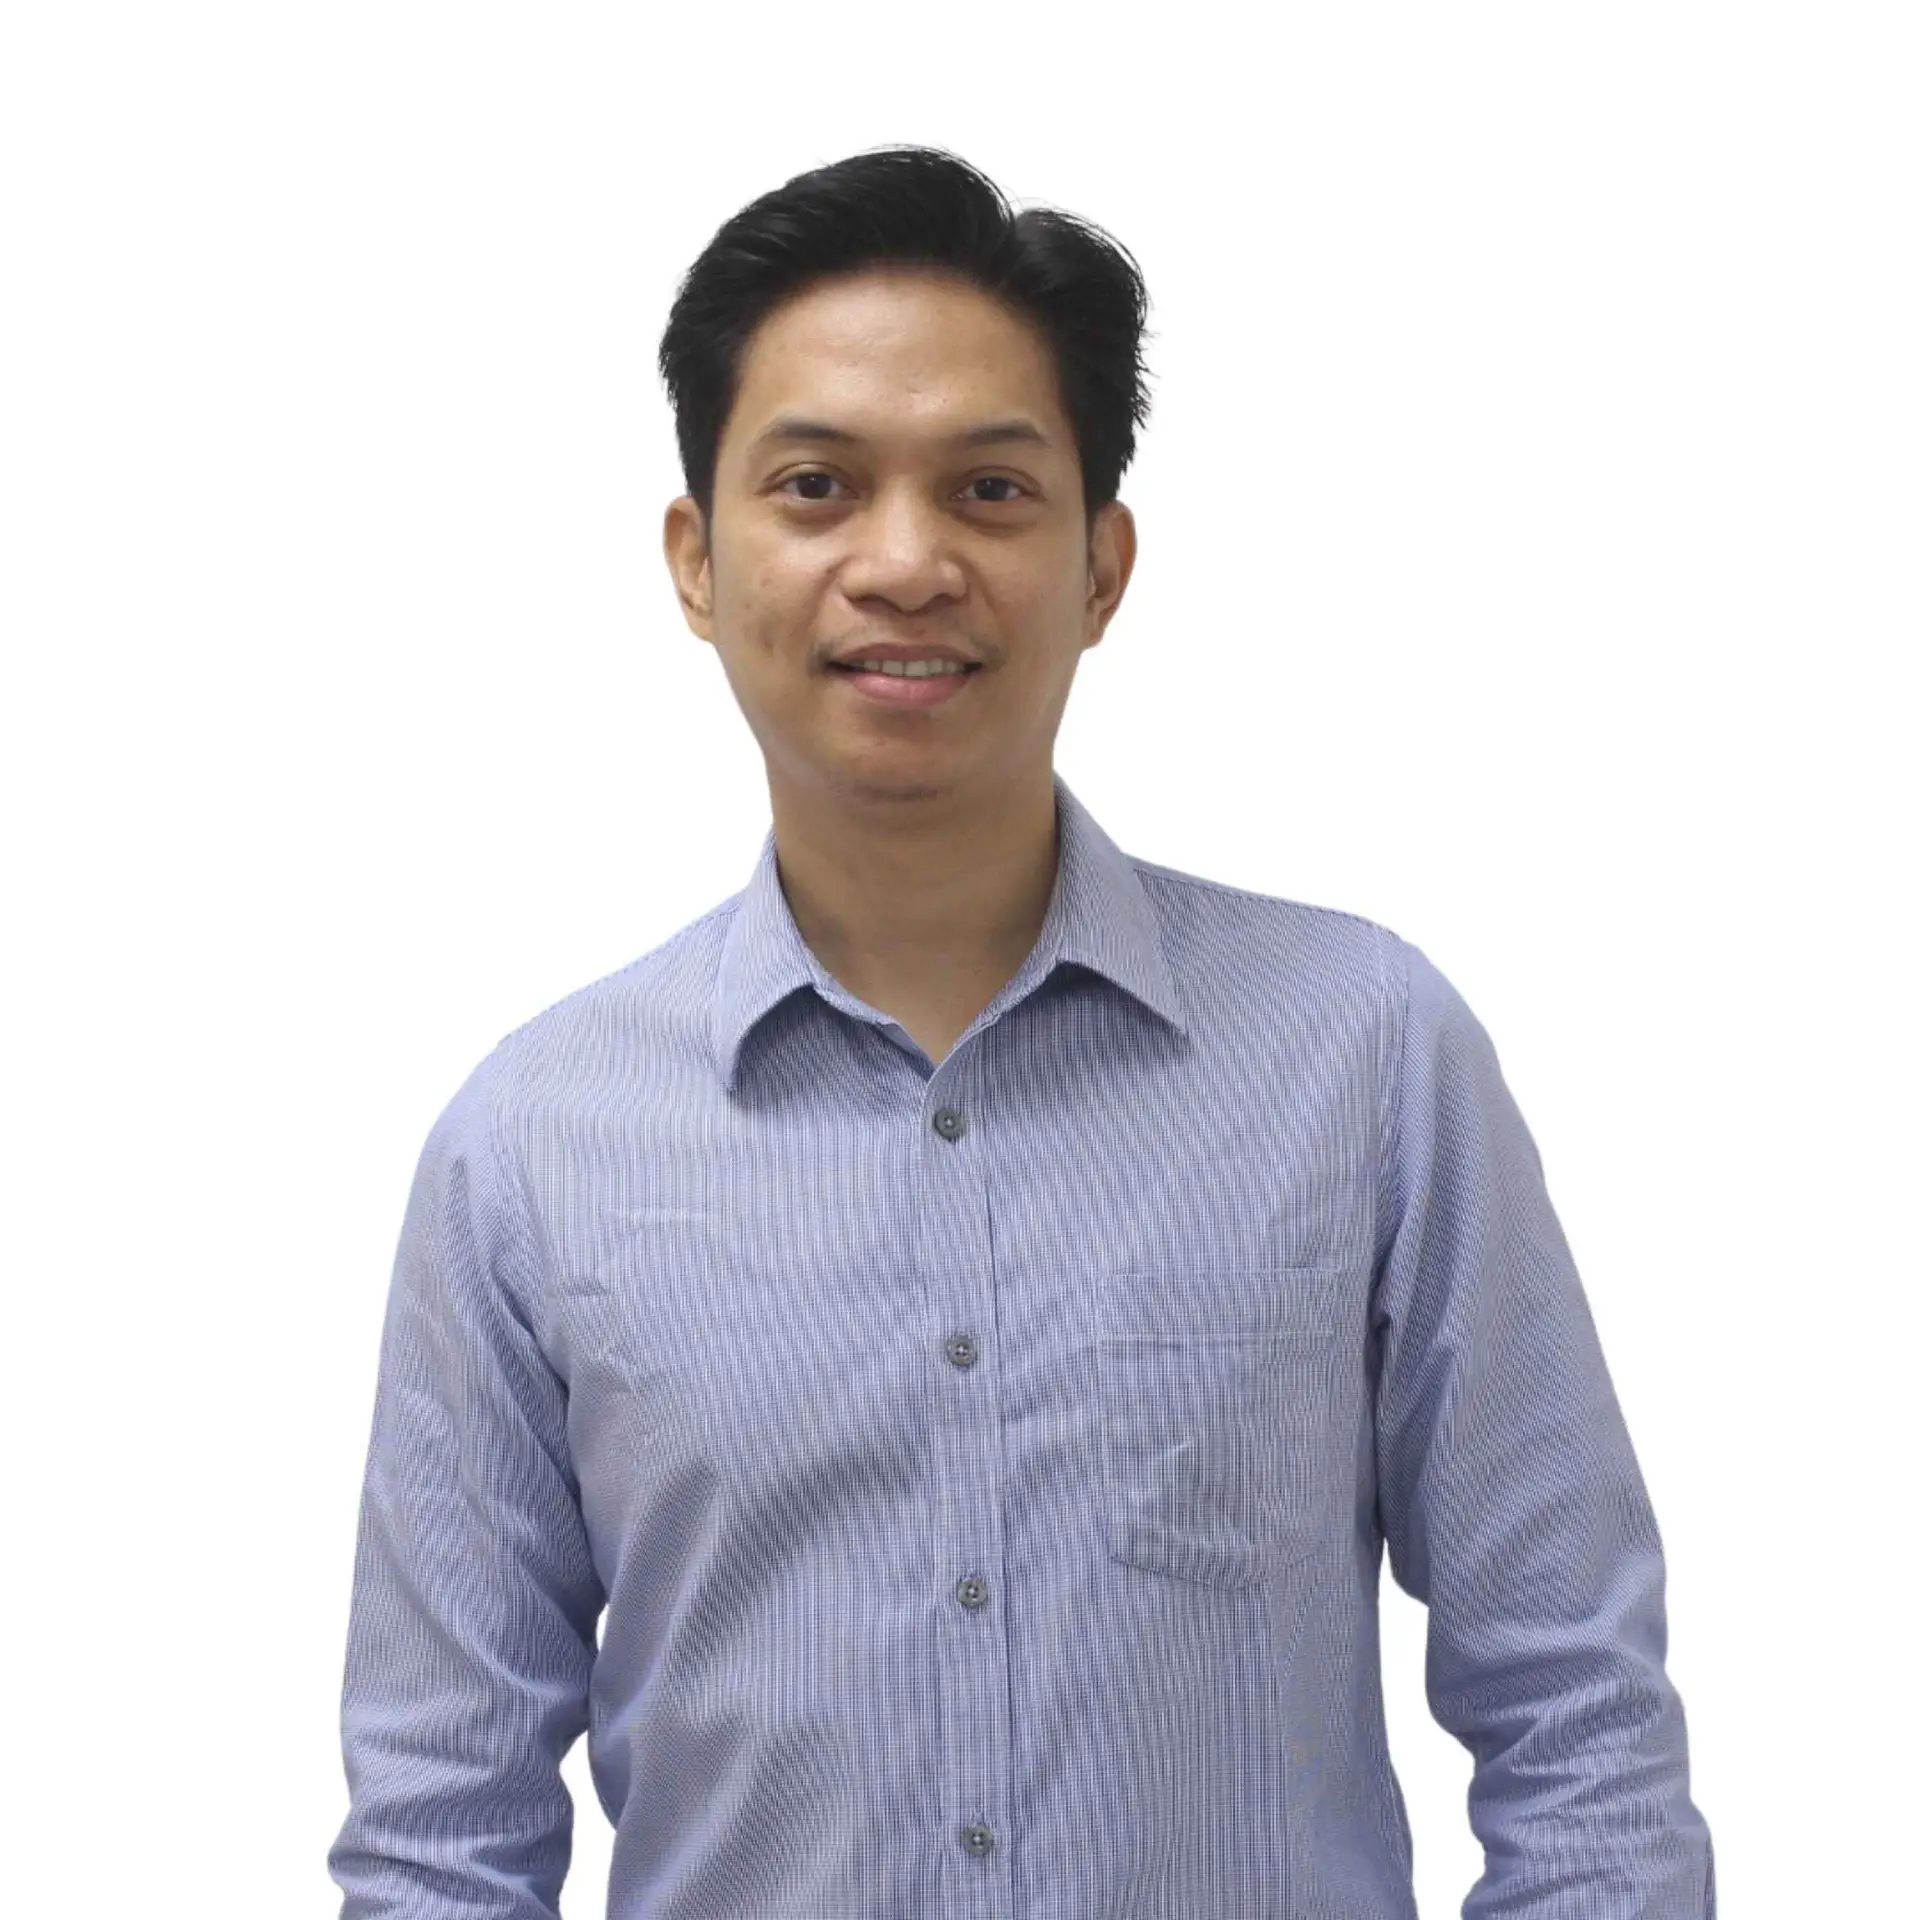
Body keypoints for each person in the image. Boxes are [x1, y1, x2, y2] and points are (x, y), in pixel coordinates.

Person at [326, 144, 1716, 1919]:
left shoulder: (1365, 1057)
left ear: (1101, 564)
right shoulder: (529, 1145)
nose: (904, 563)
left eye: (988, 489)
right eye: (816, 485)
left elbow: (1577, 1717)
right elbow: (444, 1827)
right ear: (696, 557)